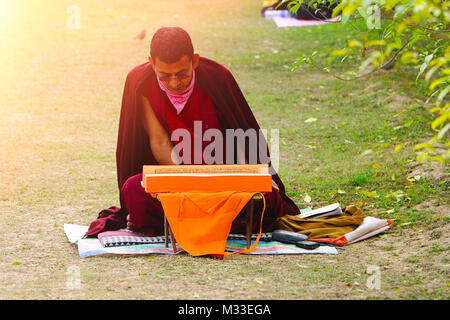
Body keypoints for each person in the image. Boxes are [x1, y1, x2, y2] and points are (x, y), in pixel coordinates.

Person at [84, 27, 299, 239]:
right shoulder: (140, 82)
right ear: (152, 63)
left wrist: (250, 177)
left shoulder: (217, 77)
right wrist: (189, 186)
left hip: (222, 180)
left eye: (182, 74)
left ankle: (177, 221)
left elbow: (239, 134)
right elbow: (159, 142)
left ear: (194, 61)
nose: (174, 83)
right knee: (133, 189)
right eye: (165, 76)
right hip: (176, 181)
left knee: (267, 199)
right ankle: (216, 221)